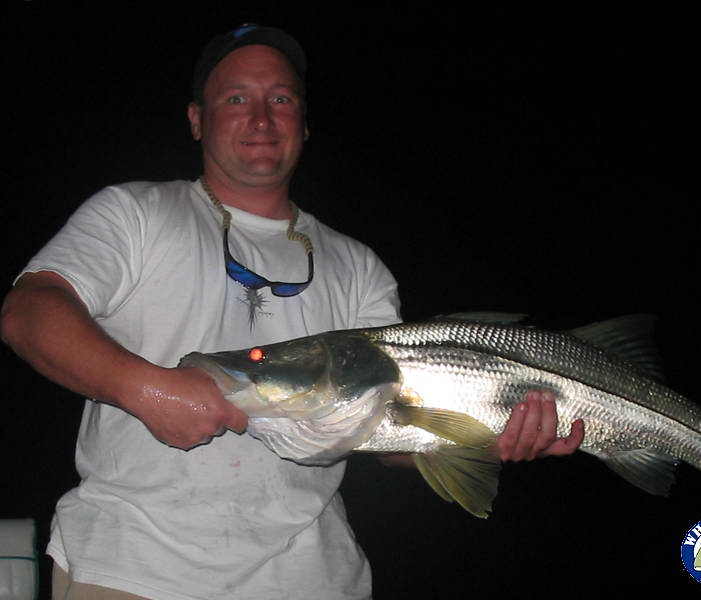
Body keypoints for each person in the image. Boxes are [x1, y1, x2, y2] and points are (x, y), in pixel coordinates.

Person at [1, 24, 584, 599]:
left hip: (318, 578)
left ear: (304, 123)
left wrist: (489, 434)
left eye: (280, 99)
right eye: (236, 98)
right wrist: (147, 389)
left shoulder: (358, 266)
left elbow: (393, 438)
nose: (260, 117)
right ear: (196, 119)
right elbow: (29, 312)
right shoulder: (135, 213)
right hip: (136, 567)